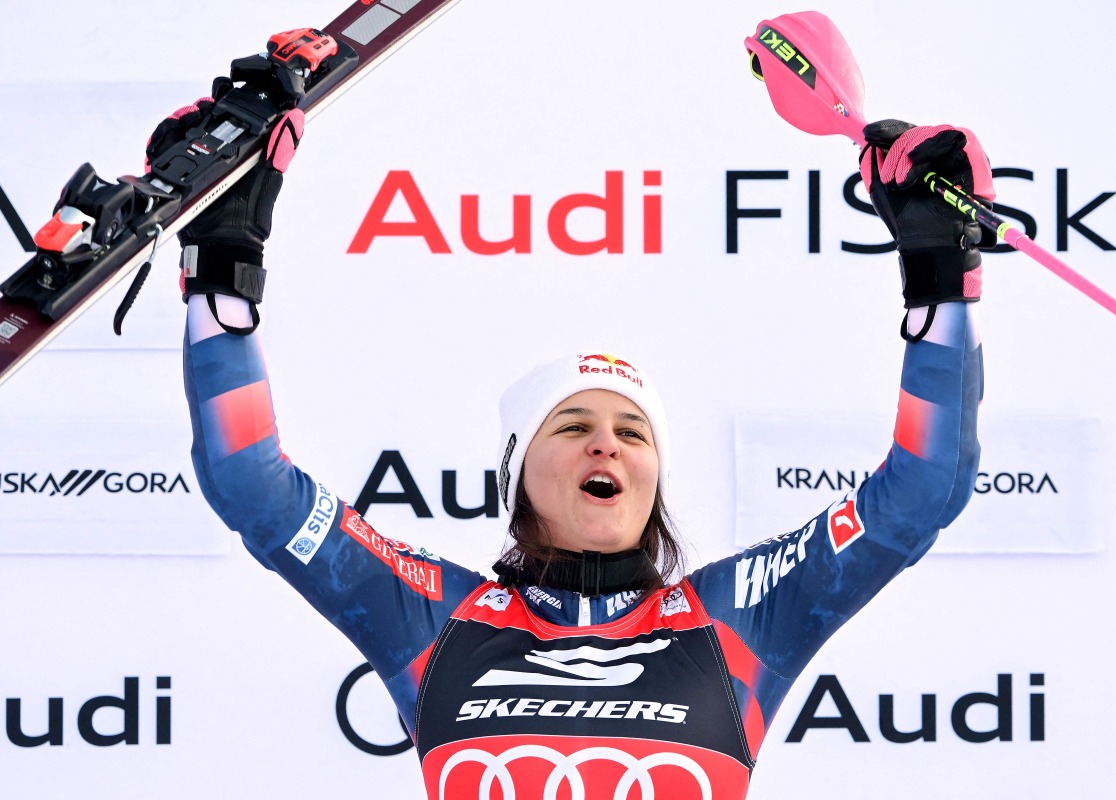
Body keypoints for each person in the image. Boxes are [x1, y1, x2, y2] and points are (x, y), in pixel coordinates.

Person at [160, 23, 993, 800]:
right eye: (574, 426)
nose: (609, 446)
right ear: (519, 474)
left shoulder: (738, 615)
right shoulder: (437, 620)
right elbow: (250, 483)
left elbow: (924, 492)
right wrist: (224, 272)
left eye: (634, 433)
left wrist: (940, 285)